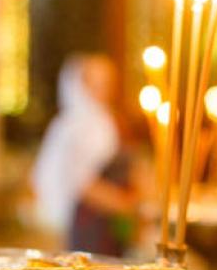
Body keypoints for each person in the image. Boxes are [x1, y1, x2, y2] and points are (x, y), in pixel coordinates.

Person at [32, 54, 140, 256]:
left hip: (108, 223)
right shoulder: (77, 126)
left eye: (108, 82)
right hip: (90, 224)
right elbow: (81, 182)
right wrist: (125, 205)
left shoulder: (105, 120)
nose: (106, 89)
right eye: (97, 83)